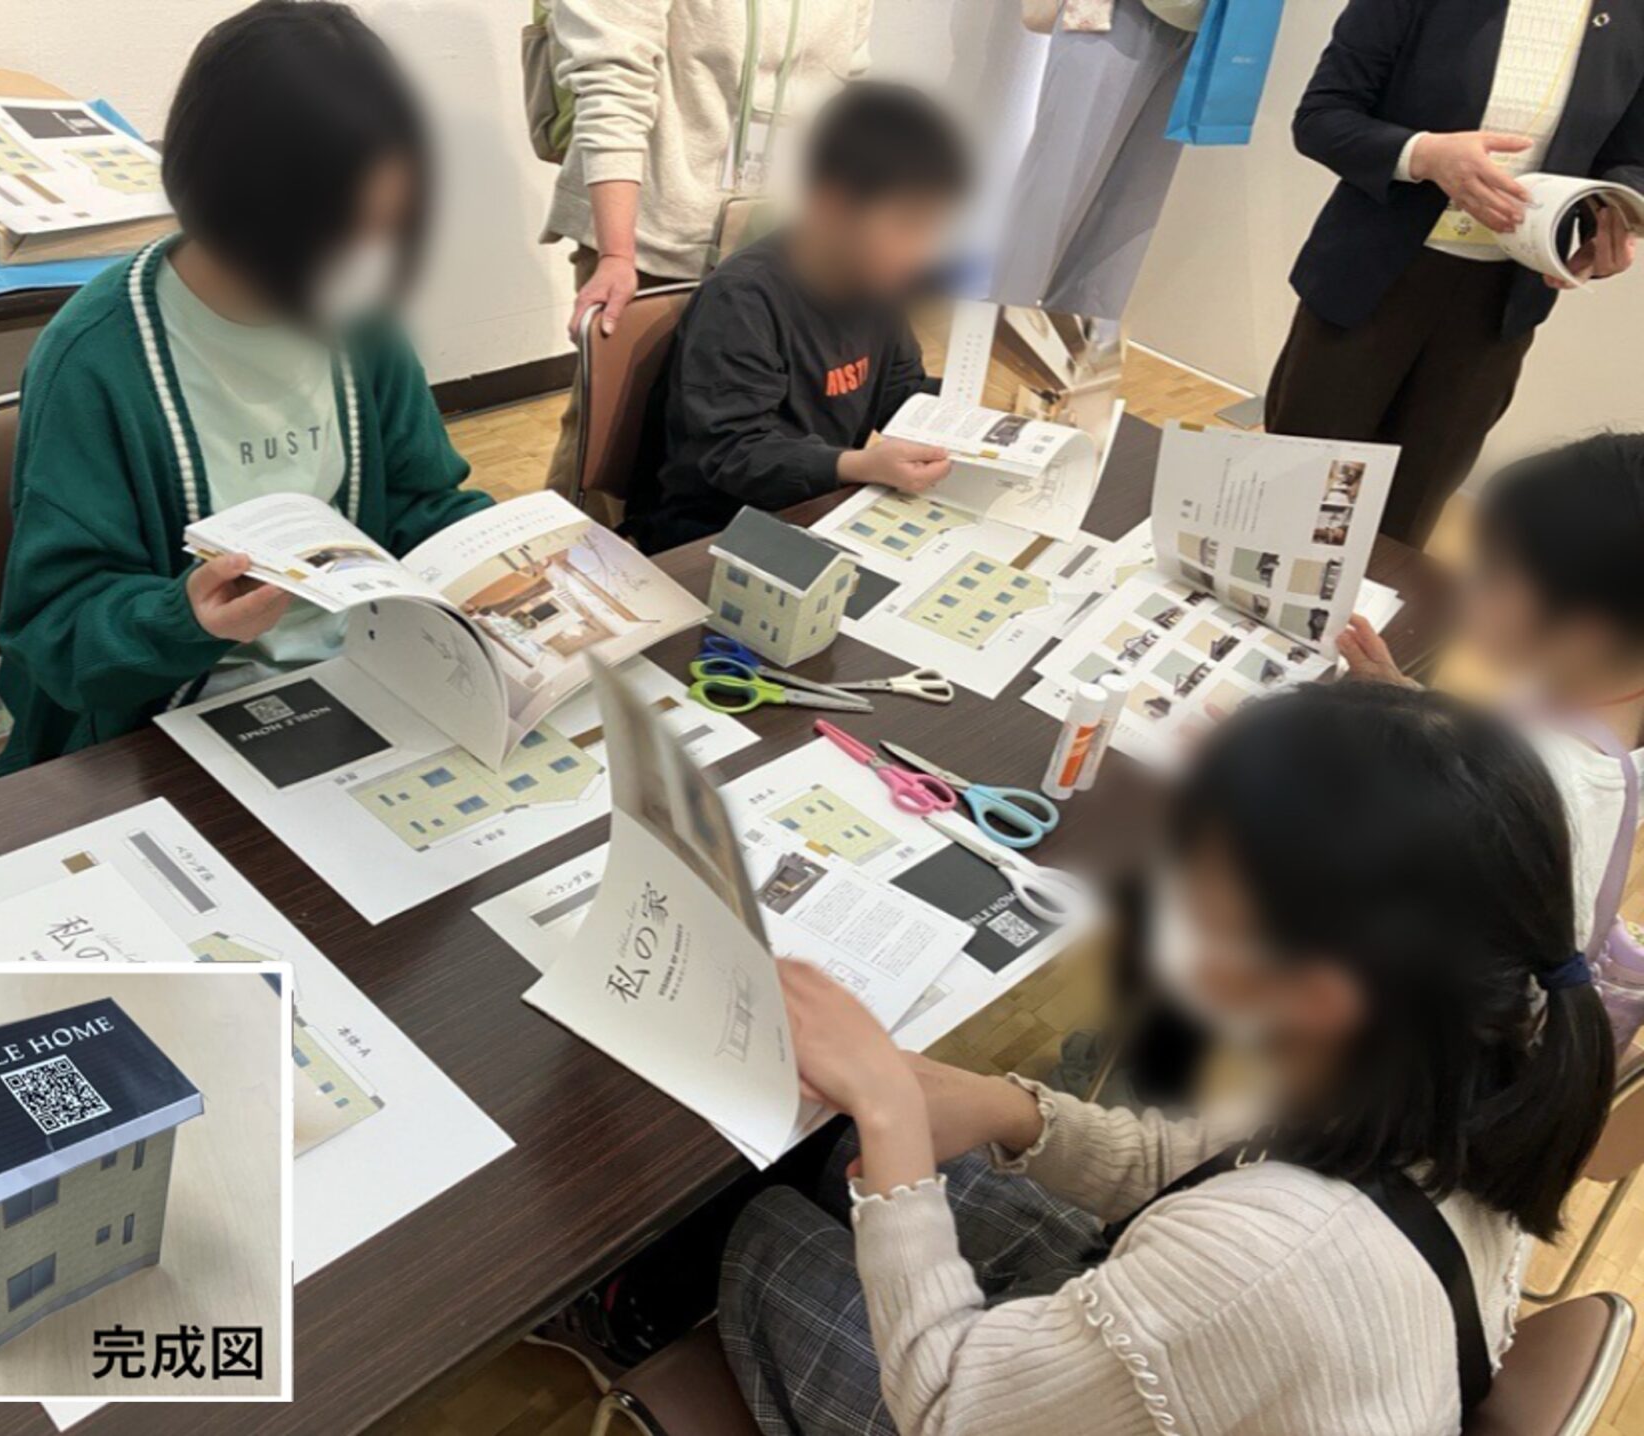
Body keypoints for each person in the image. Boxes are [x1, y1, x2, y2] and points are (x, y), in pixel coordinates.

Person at [723, 682, 1614, 1434]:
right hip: (1231, 1338)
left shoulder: (1262, 1263)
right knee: (850, 1158)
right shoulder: (1455, 1053)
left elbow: (949, 1407)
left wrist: (890, 1112)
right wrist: (1012, 1110)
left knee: (756, 1231)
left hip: (1022, 1390)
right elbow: (1193, 1164)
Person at [0, 0, 489, 774]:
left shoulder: (359, 321)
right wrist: (183, 618)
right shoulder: (98, 360)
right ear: (241, 208)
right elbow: (54, 631)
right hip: (161, 728)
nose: (364, 264)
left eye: (378, 233)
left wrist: (500, 553)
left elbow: (421, 503)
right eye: (341, 238)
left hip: (365, 686)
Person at [1265, 0, 1641, 548]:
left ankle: (1370, 607)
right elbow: (1322, 117)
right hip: (1370, 281)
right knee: (1298, 503)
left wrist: (1614, 220)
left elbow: (1628, 157)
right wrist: (1423, 154)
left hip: (1501, 308)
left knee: (1407, 519)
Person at [541, 0, 876, 504]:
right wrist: (615, 254)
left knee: (754, 428)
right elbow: (612, 82)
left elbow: (846, 85)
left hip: (781, 241)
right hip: (652, 236)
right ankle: (571, 550)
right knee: (615, 446)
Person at [625, 82, 967, 554]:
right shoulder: (743, 300)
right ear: (833, 205)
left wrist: (982, 412)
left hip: (812, 508)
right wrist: (856, 465)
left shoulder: (874, 283)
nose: (923, 251)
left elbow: (900, 394)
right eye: (910, 225)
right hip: (712, 531)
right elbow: (732, 452)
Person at [1339, 431, 1644, 953]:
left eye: (1491, 574)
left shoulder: (1534, 794)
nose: (1465, 585)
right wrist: (1411, 698)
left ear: (1588, 629)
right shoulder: (1597, 690)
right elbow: (1502, 742)